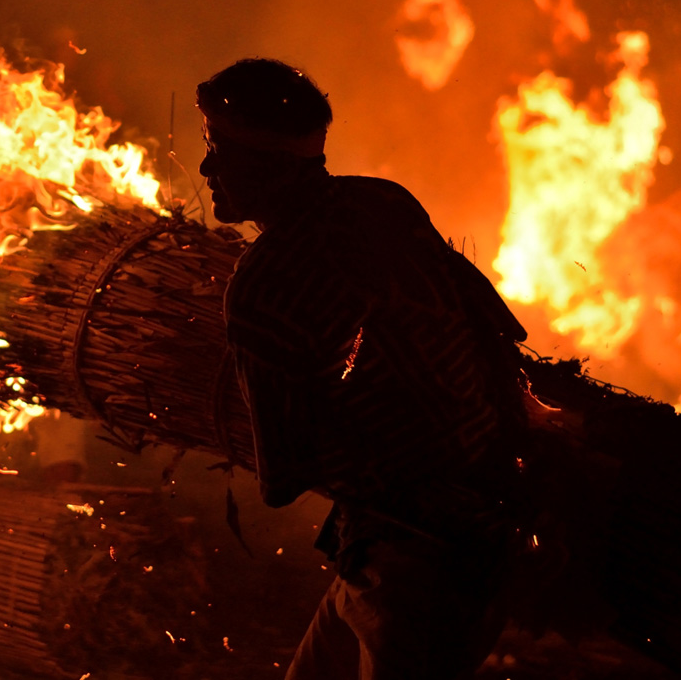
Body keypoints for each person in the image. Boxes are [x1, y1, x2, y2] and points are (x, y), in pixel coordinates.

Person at [196, 58, 530, 680]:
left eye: (223, 151)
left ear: (272, 163)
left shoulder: (265, 286)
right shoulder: (383, 202)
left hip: (417, 564)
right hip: (463, 527)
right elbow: (496, 326)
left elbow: (282, 477)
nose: (206, 169)